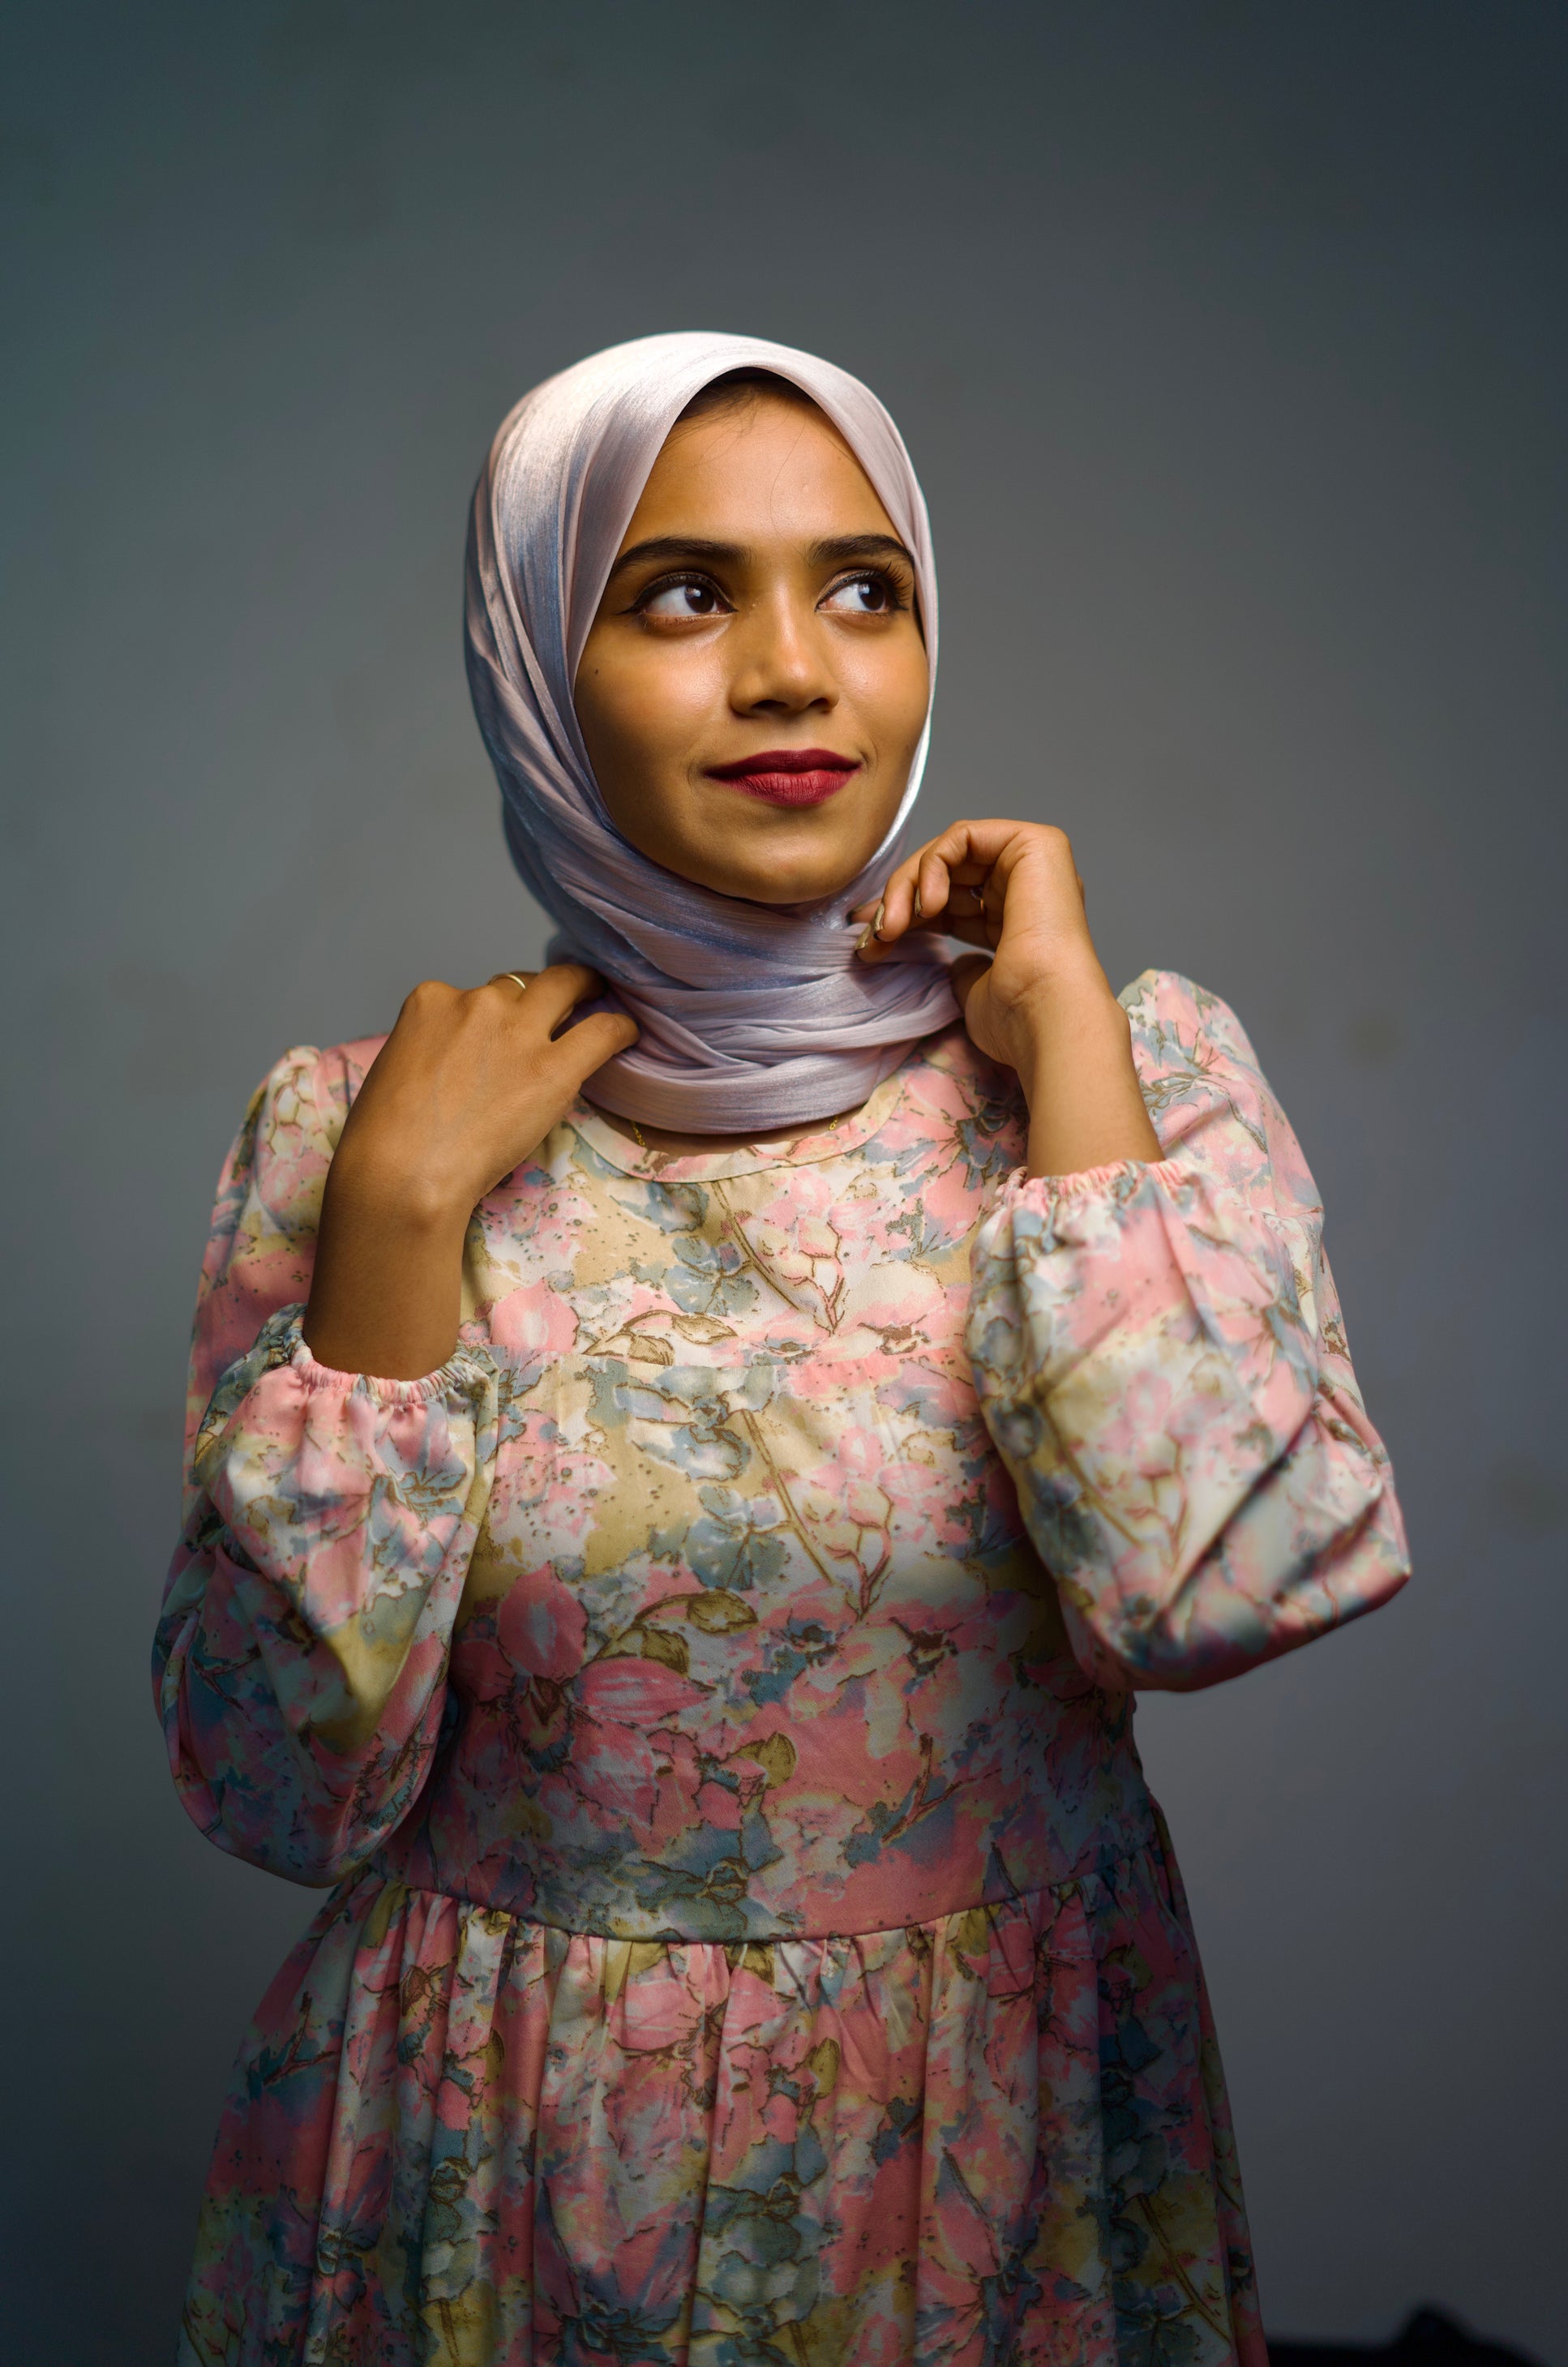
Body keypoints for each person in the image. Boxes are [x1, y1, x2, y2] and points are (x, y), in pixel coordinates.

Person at [156, 332, 1409, 2367]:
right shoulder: (355, 1129)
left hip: (989, 2155)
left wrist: (1066, 1042)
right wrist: (397, 1230)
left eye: (862, 586)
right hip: (492, 2165)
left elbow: (1216, 1584)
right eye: (678, 595)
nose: (792, 672)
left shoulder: (1130, 1069)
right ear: (535, 662)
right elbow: (268, 1782)